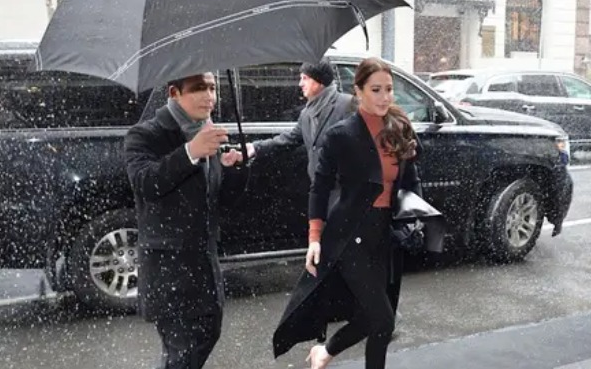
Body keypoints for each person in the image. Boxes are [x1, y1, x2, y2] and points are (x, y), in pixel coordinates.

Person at [272, 57, 421, 369]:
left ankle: (324, 351)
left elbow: (410, 181)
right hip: (350, 234)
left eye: (389, 89)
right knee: (382, 319)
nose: (384, 97)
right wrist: (314, 238)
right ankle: (326, 350)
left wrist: (416, 217)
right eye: (376, 89)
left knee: (376, 320)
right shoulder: (342, 135)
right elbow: (320, 188)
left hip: (385, 233)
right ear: (359, 91)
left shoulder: (398, 128)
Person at [125, 72, 242, 369]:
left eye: (212, 88)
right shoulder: (146, 134)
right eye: (199, 88)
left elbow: (220, 202)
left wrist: (233, 169)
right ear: (174, 93)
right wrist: (190, 152)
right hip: (170, 267)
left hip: (204, 264)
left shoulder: (208, 133)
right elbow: (146, 183)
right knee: (182, 351)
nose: (209, 96)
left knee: (207, 334)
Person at [245, 57, 356, 183]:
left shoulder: (347, 105)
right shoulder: (307, 113)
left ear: (319, 81)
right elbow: (289, 139)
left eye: (305, 78)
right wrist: (256, 147)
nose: (300, 84)